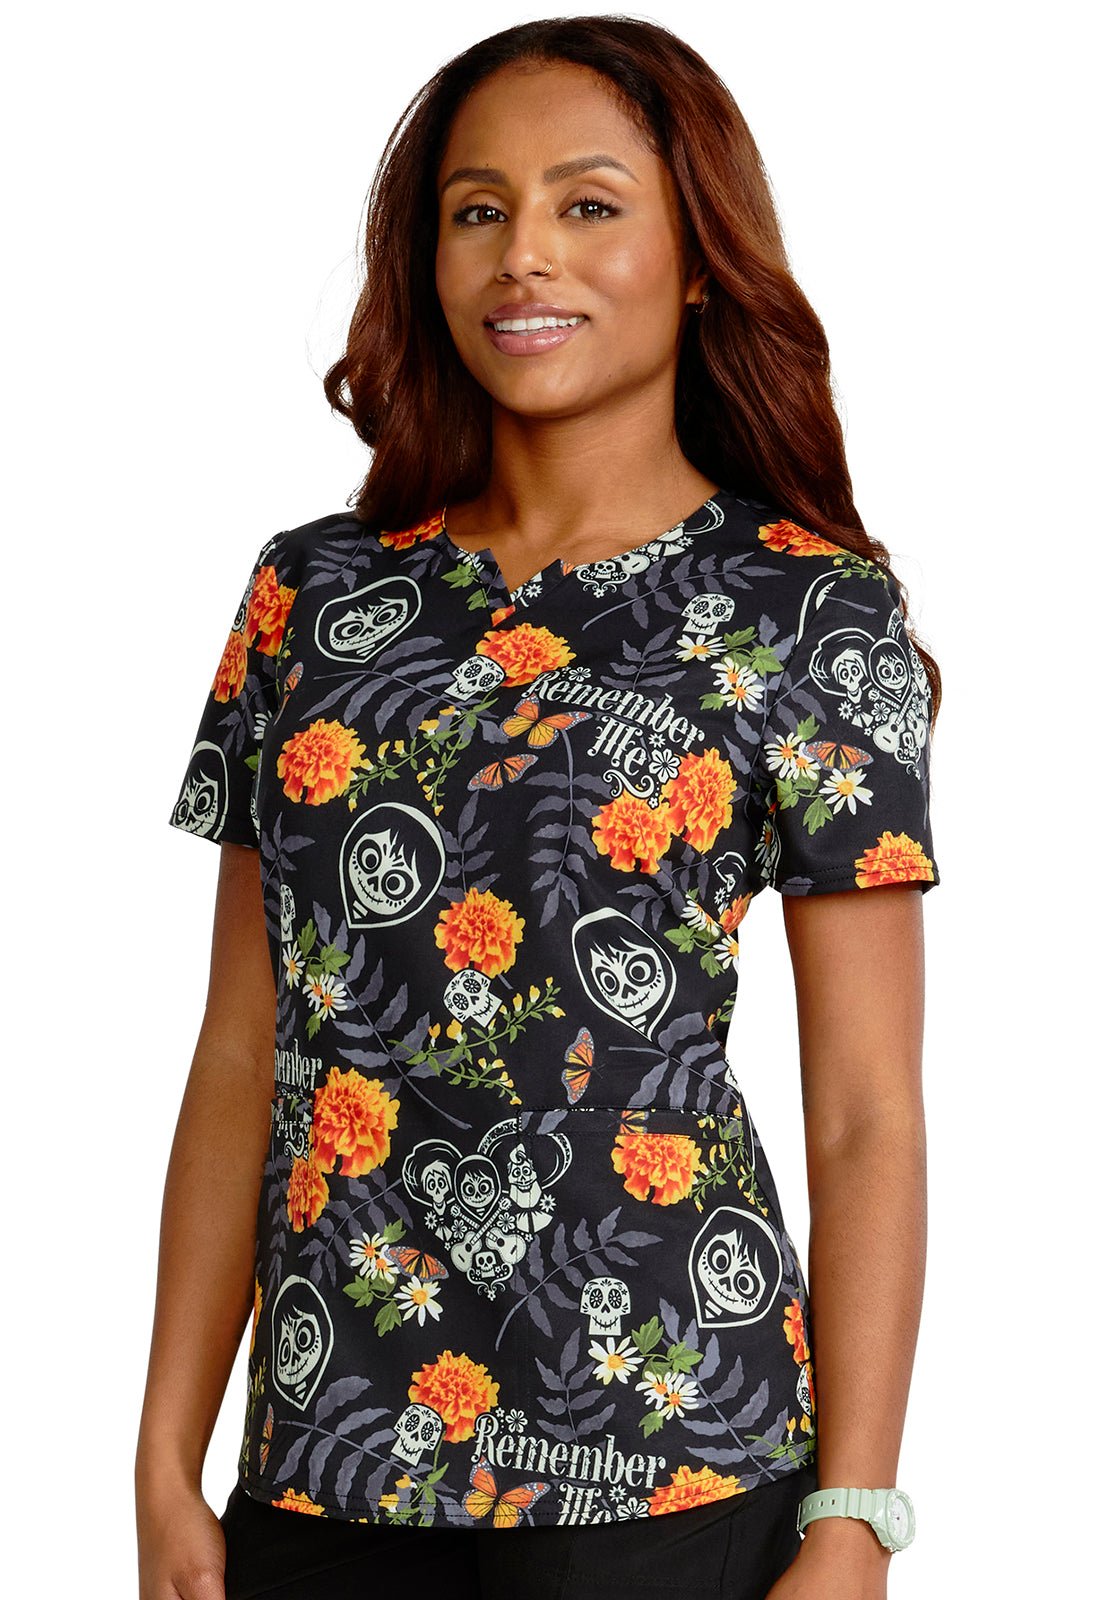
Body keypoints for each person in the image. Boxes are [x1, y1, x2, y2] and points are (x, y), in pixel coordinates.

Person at [135, 16, 943, 1600]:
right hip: (323, 1473)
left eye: (588, 205)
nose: (524, 256)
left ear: (698, 258)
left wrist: (856, 1513)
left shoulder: (807, 611)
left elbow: (867, 1107)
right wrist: (167, 1455)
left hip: (674, 1468)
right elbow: (243, 1048)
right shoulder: (311, 596)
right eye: (478, 209)